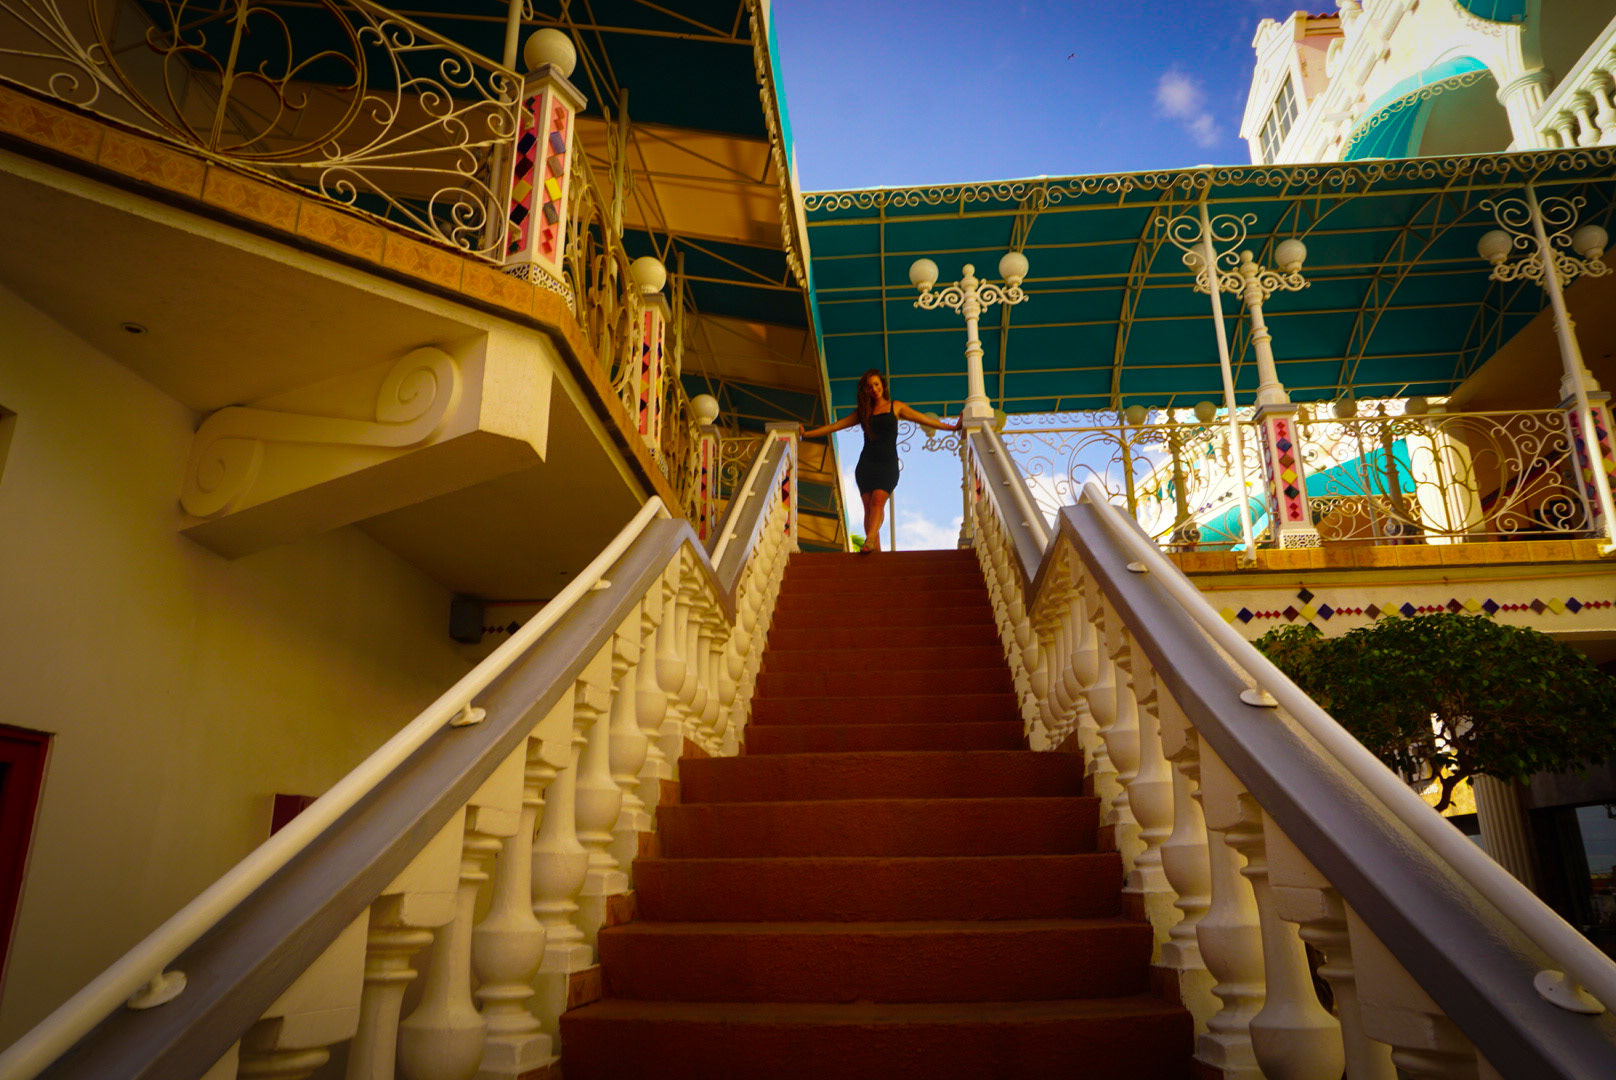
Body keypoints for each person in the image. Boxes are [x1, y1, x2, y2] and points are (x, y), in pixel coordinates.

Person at [801, 369, 961, 553]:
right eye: (870, 387)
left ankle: (869, 540)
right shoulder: (863, 412)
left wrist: (953, 427)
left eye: (876, 384)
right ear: (866, 391)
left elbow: (924, 419)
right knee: (869, 509)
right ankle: (875, 552)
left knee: (877, 501)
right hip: (866, 465)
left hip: (887, 464)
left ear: (882, 385)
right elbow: (835, 426)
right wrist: (807, 434)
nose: (874, 389)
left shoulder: (896, 407)